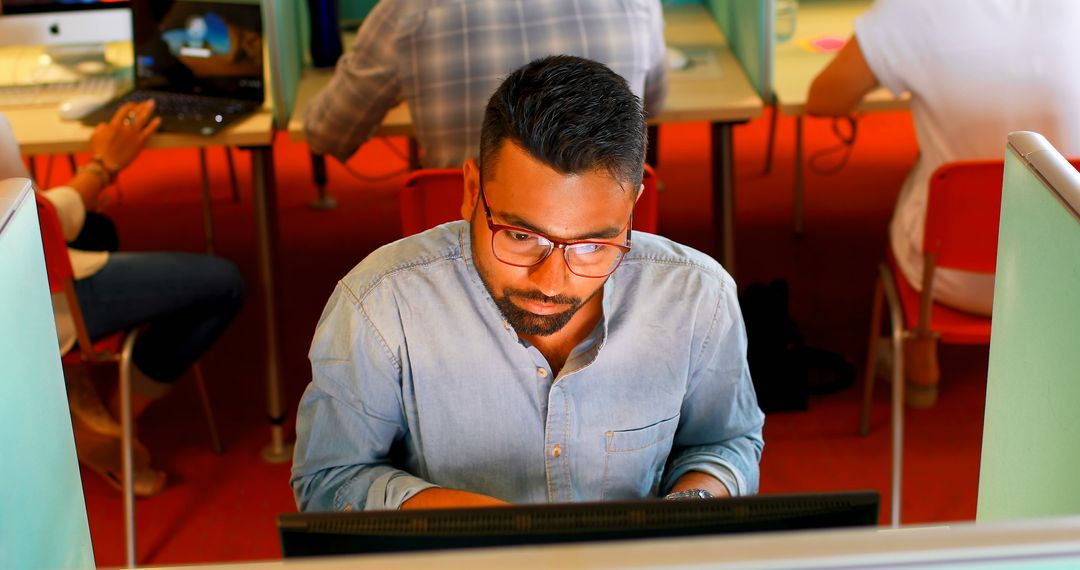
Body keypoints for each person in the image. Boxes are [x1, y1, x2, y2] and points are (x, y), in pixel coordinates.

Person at [292, 55, 764, 512]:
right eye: (521, 236)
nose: (552, 282)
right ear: (472, 190)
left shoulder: (699, 298)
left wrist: (690, 505)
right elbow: (329, 481)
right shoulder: (380, 304)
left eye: (592, 246)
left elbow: (727, 441)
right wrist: (478, 527)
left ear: (633, 208)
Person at [0, 101, 246, 496]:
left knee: (98, 229)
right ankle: (118, 417)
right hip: (25, 305)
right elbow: (35, 221)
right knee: (225, 285)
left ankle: (71, 381)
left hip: (19, 281)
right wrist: (102, 166)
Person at [806, 0, 1080, 317]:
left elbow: (824, 98)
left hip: (951, 279)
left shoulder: (910, 10)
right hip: (1068, 273)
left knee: (923, 175)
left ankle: (917, 347)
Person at [304, 0, 667, 168]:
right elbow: (652, 104)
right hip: (600, 253)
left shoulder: (407, 10)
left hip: (459, 253)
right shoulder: (634, 3)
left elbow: (326, 131)